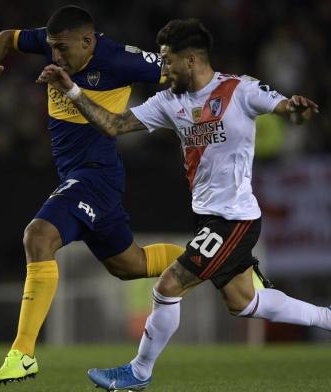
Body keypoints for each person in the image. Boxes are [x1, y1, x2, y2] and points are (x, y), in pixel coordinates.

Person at [36, 18, 327, 391]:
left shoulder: (240, 90)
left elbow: (287, 108)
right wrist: (74, 91)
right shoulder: (169, 101)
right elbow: (114, 125)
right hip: (207, 216)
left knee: (167, 287)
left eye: (167, 60)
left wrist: (297, 110)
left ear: (190, 60)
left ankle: (138, 372)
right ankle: (326, 317)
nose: (163, 68)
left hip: (233, 218)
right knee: (243, 302)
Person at [0, 5, 188, 384]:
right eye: (51, 48)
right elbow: (5, 39)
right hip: (80, 176)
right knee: (131, 265)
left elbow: (183, 70)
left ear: (88, 41)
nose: (55, 56)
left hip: (96, 176)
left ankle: (22, 353)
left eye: (63, 49)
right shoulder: (51, 40)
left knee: (38, 236)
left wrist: (188, 115)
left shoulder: (121, 60)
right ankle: (218, 261)